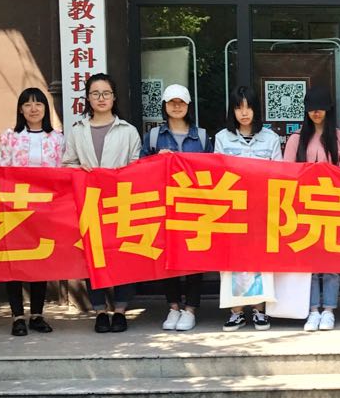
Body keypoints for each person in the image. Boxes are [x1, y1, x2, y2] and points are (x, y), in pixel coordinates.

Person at [62, 73, 142, 334]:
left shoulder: (128, 131)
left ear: (114, 97)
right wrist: (80, 170)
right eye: (95, 93)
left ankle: (120, 310)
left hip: (121, 201)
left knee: (123, 255)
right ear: (87, 98)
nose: (101, 98)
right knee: (92, 255)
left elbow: (137, 166)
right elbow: (67, 163)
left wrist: (119, 176)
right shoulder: (78, 130)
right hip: (89, 202)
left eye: (106, 93)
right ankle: (99, 311)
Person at [284, 86, 340, 332]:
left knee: (331, 263)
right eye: (312, 109)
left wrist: (330, 174)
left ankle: (329, 310)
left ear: (328, 110)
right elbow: (286, 173)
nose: (316, 113)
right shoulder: (296, 139)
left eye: (321, 108)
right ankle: (313, 310)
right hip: (303, 207)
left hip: (333, 206)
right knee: (310, 264)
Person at [0, 87, 66, 336]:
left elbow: (63, 172)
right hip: (15, 208)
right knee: (14, 262)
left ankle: (37, 314)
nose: (33, 109)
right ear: (20, 109)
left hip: (45, 209)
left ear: (46, 109)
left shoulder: (57, 138)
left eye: (38, 104)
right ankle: (17, 315)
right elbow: (2, 170)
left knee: (39, 259)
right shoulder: (9, 136)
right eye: (27, 104)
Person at [141, 83, 209, 332]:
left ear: (189, 105)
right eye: (172, 102)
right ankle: (173, 307)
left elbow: (212, 171)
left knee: (194, 258)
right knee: (167, 257)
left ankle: (190, 309)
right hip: (163, 206)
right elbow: (139, 169)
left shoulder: (202, 136)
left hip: (194, 206)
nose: (177, 106)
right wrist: (156, 160)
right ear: (165, 106)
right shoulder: (153, 137)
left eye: (181, 102)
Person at [213, 85, 282, 331]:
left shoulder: (270, 138)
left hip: (261, 209)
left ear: (256, 109)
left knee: (260, 260)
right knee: (232, 261)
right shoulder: (222, 138)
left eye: (249, 107)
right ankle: (236, 312)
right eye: (239, 108)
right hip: (232, 210)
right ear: (232, 111)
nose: (244, 113)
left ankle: (260, 310)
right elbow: (217, 174)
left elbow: (279, 174)